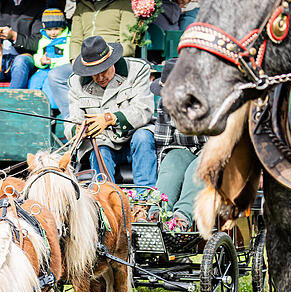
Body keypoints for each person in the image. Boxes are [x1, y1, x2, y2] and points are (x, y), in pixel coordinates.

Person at [47, 0, 137, 117]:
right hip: (86, 60)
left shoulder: (124, 3)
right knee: (55, 76)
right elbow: (75, 37)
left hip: (110, 59)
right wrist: (74, 58)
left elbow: (128, 40)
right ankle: (74, 120)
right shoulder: (83, 6)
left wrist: (110, 59)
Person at [66, 36, 156, 186]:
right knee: (98, 147)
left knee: (144, 137)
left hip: (134, 138)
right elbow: (72, 119)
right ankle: (107, 201)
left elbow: (144, 110)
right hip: (103, 143)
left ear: (112, 62)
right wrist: (77, 130)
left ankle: (146, 199)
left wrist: (110, 118)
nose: (100, 77)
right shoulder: (76, 82)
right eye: (93, 73)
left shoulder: (137, 70)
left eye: (104, 71)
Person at [151, 58, 207, 231]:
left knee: (196, 168)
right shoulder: (164, 102)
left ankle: (181, 217)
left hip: (214, 149)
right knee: (171, 162)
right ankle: (156, 215)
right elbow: (163, 142)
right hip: (184, 148)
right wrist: (165, 172)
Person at [29, 9, 70, 103]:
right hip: (45, 69)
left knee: (49, 84)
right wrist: (41, 61)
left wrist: (53, 62)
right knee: (35, 80)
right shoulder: (43, 40)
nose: (53, 33)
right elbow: (37, 55)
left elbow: (68, 58)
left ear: (62, 27)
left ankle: (52, 108)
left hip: (60, 69)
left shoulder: (67, 39)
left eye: (56, 29)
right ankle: (32, 103)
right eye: (49, 29)